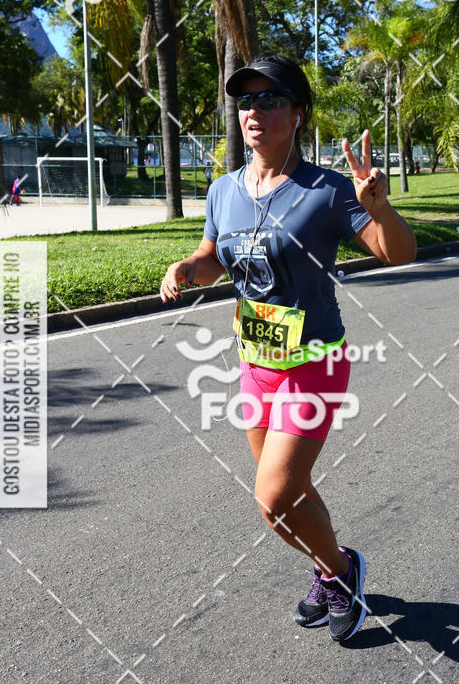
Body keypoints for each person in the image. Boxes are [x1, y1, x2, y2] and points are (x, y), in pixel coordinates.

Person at [160, 54, 416, 643]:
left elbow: (399, 254)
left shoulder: (326, 190)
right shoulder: (224, 189)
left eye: (270, 99)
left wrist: (379, 207)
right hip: (257, 362)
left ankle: (343, 571)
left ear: (297, 115)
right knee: (291, 490)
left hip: (315, 363)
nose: (254, 111)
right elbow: (213, 255)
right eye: (246, 101)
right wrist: (186, 266)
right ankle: (331, 570)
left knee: (273, 497)